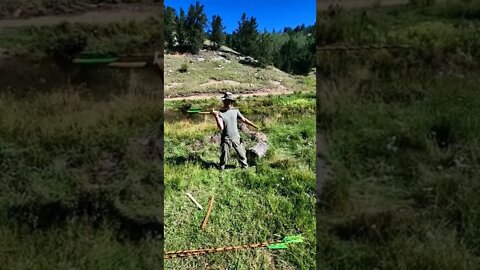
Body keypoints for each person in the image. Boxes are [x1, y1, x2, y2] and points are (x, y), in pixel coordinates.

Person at [212, 92, 258, 170]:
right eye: (225, 100)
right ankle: (221, 168)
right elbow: (221, 128)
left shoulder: (235, 111)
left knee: (241, 154)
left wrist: (254, 125)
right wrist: (216, 116)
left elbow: (244, 120)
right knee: (224, 154)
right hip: (226, 137)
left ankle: (245, 168)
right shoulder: (220, 113)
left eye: (228, 101)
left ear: (232, 102)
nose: (226, 102)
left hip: (236, 136)